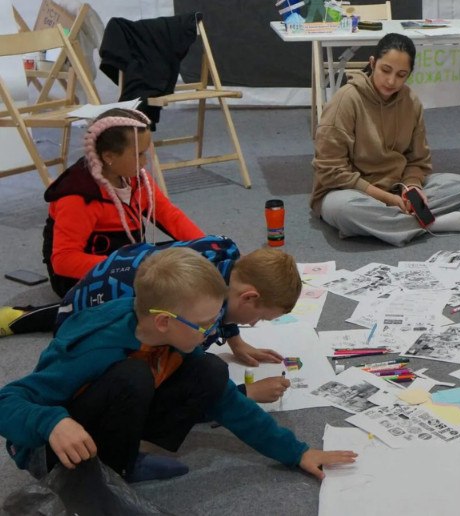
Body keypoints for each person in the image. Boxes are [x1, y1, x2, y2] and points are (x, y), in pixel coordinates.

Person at [0, 247, 357, 484]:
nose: (211, 332)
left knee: (210, 372)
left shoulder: (173, 335)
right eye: (203, 324)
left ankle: (122, 458)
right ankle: (104, 471)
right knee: (133, 376)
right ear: (163, 322)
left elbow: (229, 403)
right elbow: (8, 400)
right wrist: (52, 423)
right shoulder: (94, 345)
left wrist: (297, 452)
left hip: (105, 412)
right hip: (47, 447)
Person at [51, 236, 302, 404]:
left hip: (88, 295)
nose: (255, 324)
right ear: (249, 297)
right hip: (83, 331)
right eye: (260, 317)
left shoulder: (224, 255)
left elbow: (228, 303)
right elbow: (180, 376)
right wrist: (246, 393)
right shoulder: (195, 304)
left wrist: (235, 340)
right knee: (188, 373)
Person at [311, 33, 460, 246]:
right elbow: (330, 171)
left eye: (401, 75)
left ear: (409, 75)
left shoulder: (411, 102)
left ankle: (391, 224)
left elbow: (418, 161)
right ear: (372, 63)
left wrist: (412, 187)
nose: (391, 81)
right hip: (350, 191)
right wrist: (387, 199)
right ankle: (428, 224)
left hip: (396, 188)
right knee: (344, 210)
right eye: (385, 70)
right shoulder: (346, 100)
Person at [43, 108, 204, 296]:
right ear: (109, 157)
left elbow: (170, 216)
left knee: (188, 260)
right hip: (79, 276)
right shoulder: (79, 195)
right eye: (138, 154)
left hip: (129, 258)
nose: (145, 162)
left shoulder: (136, 177)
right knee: (168, 289)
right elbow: (64, 260)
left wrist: (205, 245)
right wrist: (127, 267)